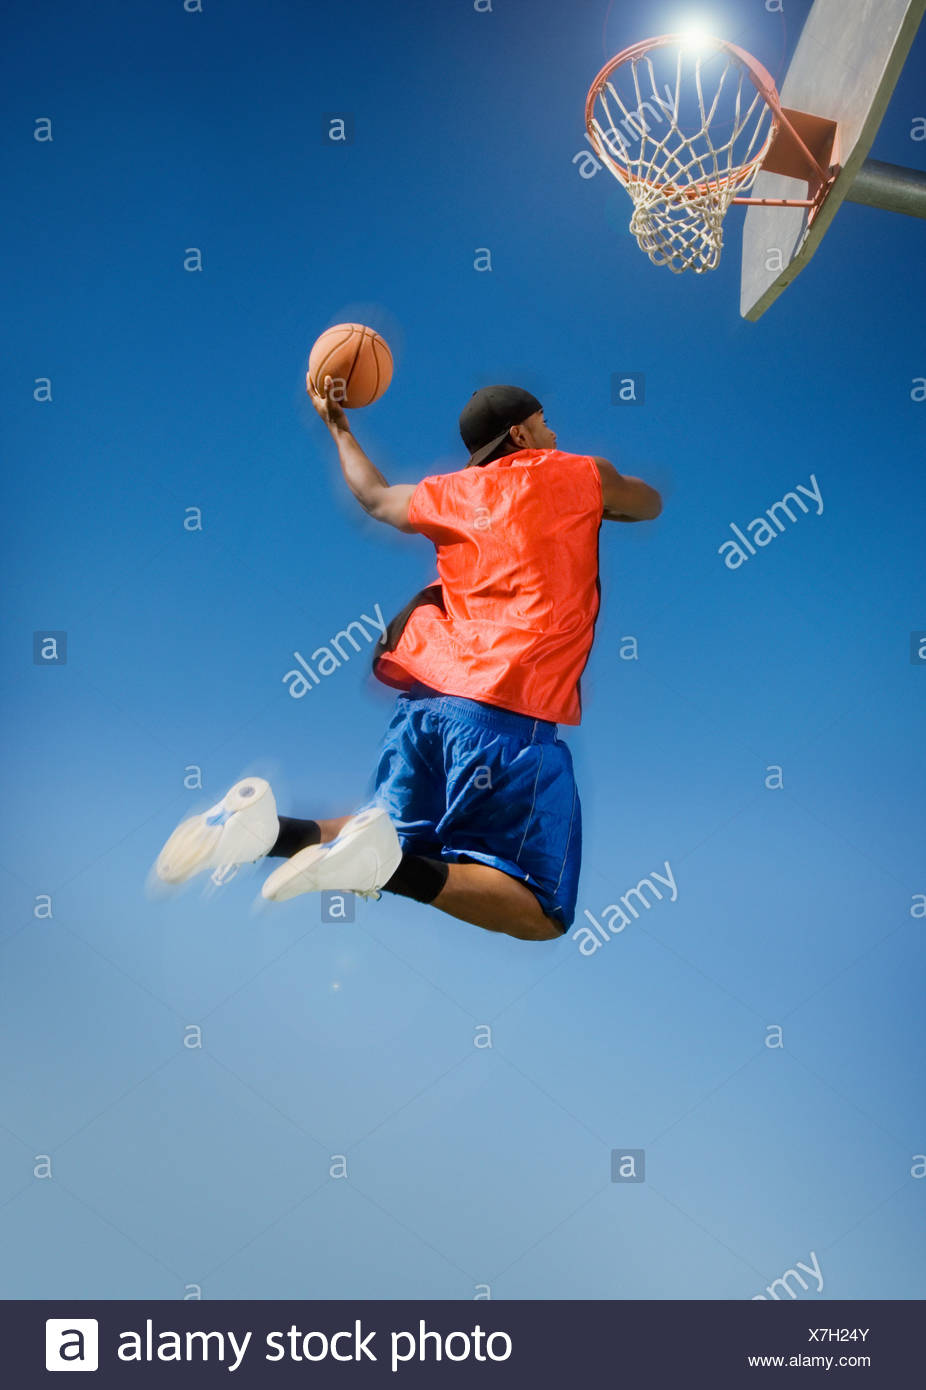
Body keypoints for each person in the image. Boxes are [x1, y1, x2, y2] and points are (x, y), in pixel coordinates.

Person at [154, 380, 662, 941]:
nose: (554, 432)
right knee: (540, 910)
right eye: (544, 422)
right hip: (507, 714)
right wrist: (596, 496)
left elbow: (374, 497)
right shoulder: (579, 472)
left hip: (425, 709)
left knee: (383, 835)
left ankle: (260, 832)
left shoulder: (446, 492)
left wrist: (339, 427)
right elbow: (649, 503)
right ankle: (386, 870)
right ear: (519, 432)